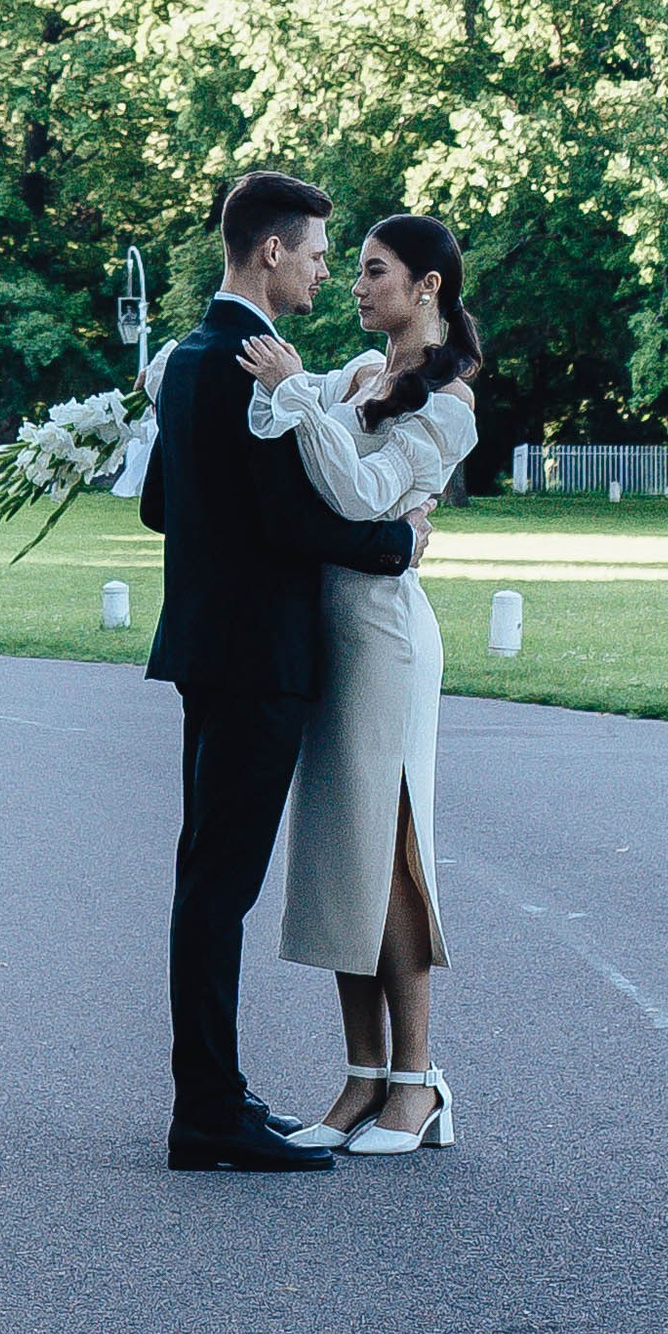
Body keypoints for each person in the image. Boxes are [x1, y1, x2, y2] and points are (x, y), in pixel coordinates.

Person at [140, 168, 429, 1173]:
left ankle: (214, 1097)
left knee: (206, 879)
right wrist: (399, 541)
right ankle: (209, 1114)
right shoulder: (256, 365)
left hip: (203, 652)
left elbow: (156, 505)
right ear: (269, 251)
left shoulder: (186, 358)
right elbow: (292, 519)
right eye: (313, 252)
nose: (320, 269)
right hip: (260, 659)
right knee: (219, 889)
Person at [237, 211, 481, 1154]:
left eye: (375, 271)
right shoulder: (349, 377)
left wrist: (297, 395)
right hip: (327, 628)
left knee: (388, 847)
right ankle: (360, 1081)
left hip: (385, 633)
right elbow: (291, 461)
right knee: (343, 851)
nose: (356, 283)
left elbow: (358, 497)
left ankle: (419, 1086)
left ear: (427, 286)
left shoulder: (448, 401)